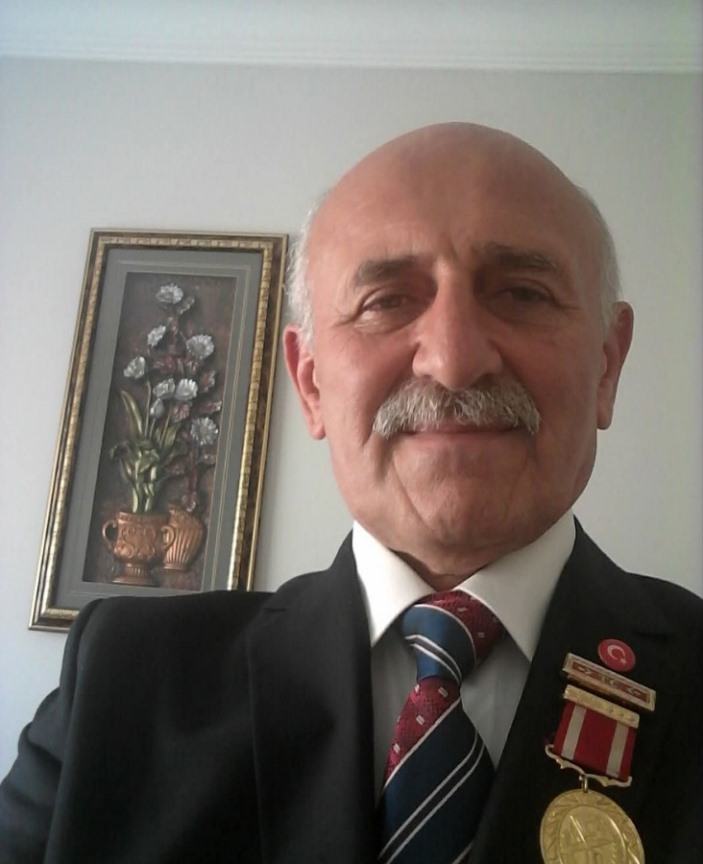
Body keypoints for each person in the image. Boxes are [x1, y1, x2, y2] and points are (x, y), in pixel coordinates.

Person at [1, 123, 701, 864]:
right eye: (386, 301)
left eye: (523, 293)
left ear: (606, 365)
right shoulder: (121, 678)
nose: (453, 360)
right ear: (310, 384)